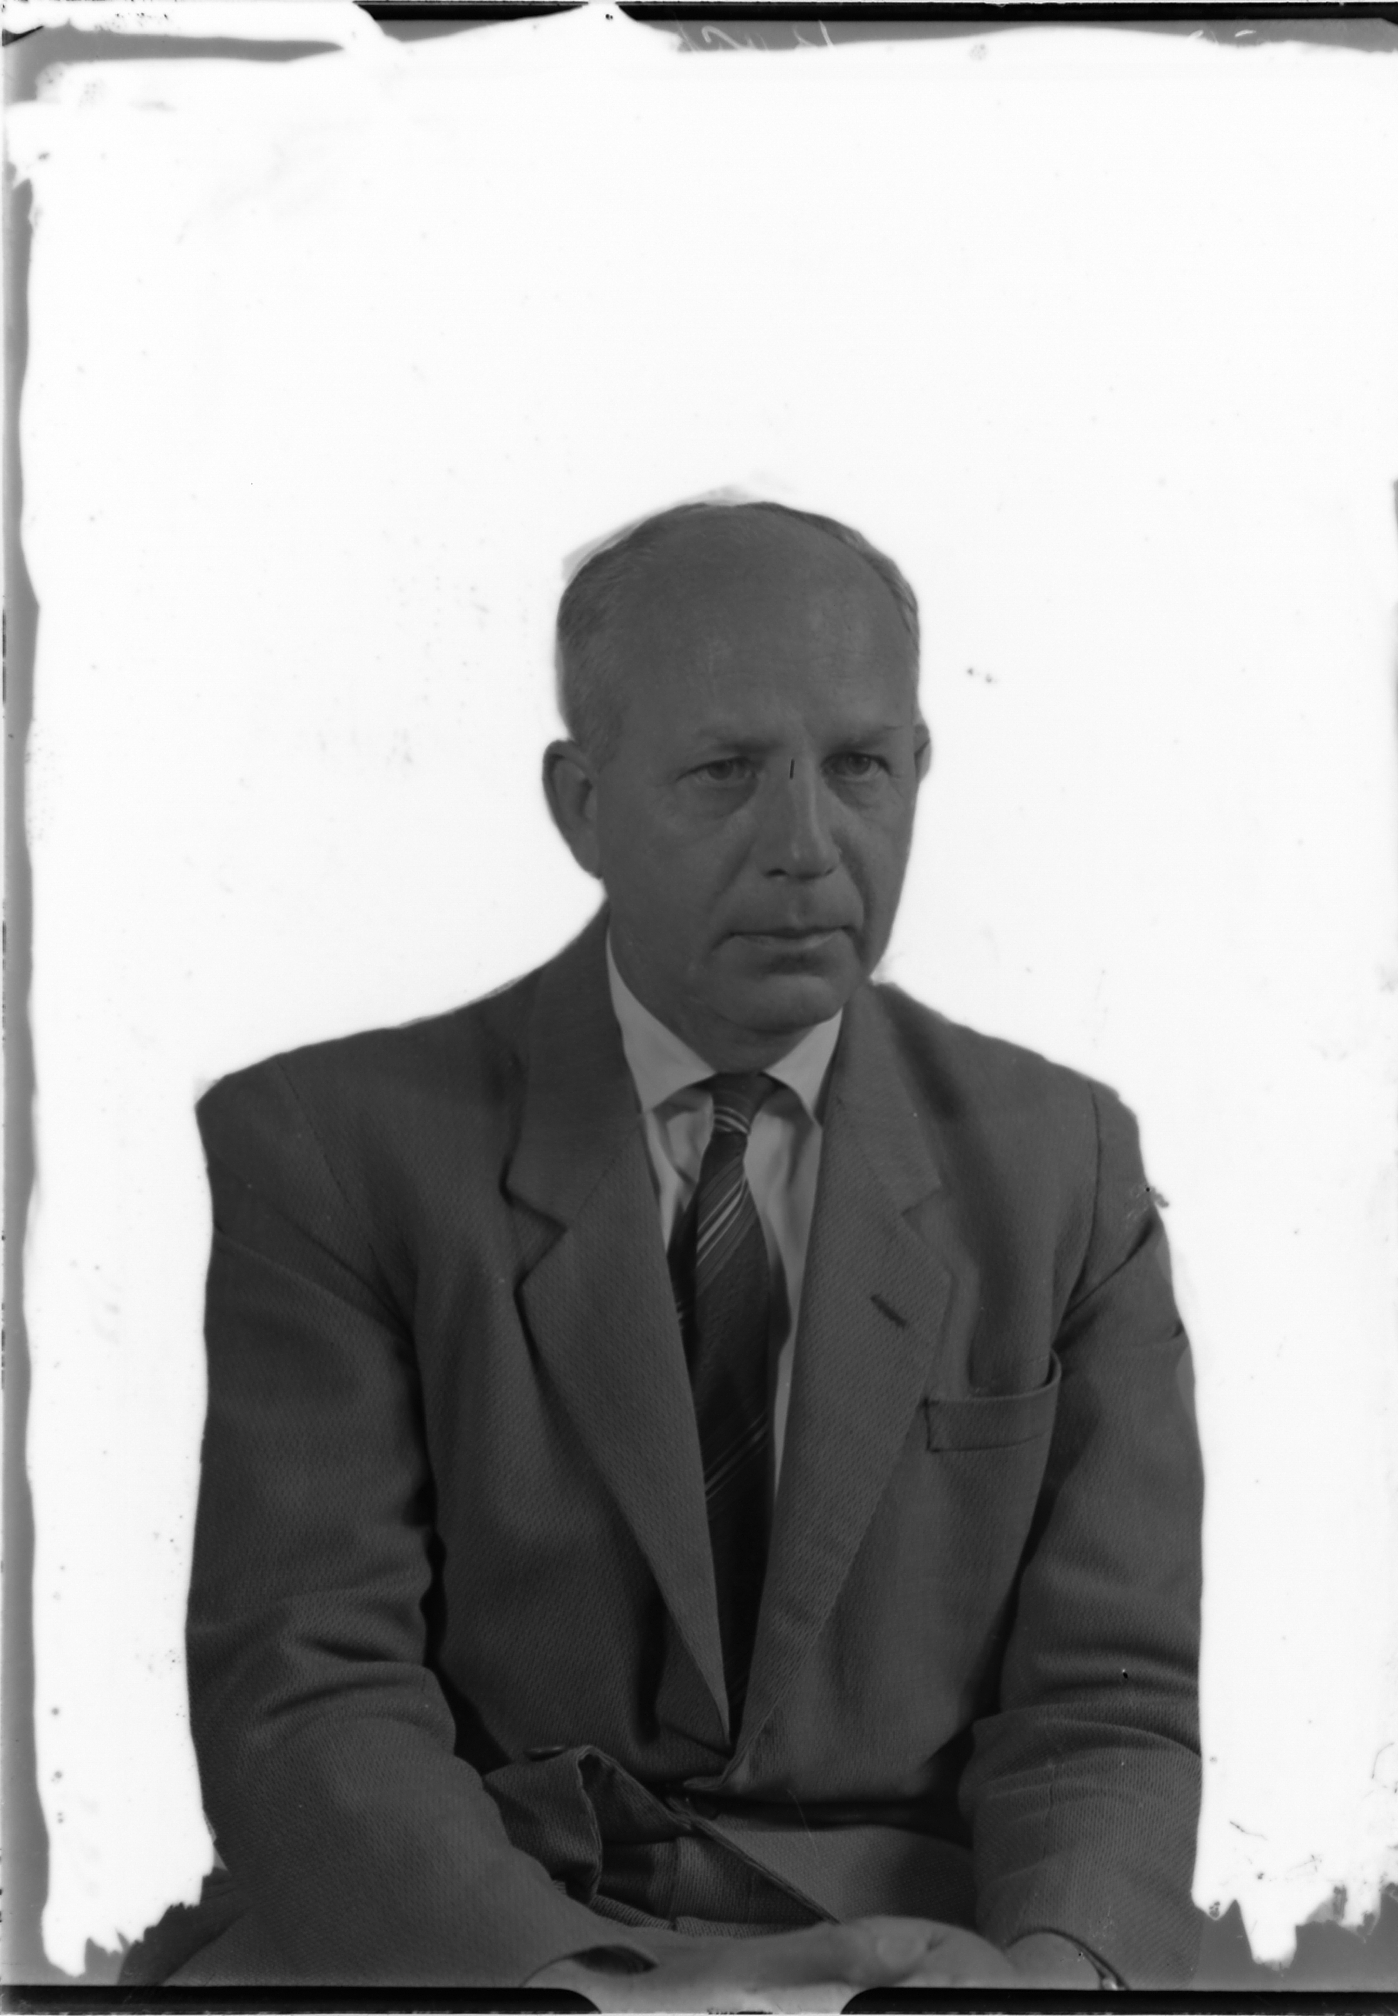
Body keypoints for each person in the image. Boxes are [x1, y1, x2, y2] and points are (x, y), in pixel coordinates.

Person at [123, 499, 1203, 2000]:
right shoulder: (332, 1149)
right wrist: (586, 1990)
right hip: (481, 1935)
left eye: (860, 767)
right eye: (724, 772)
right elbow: (308, 1692)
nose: (806, 850)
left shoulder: (1062, 1163)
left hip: (929, 1941)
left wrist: (1055, 1973)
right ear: (580, 806)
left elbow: (1105, 1704)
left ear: (918, 772)